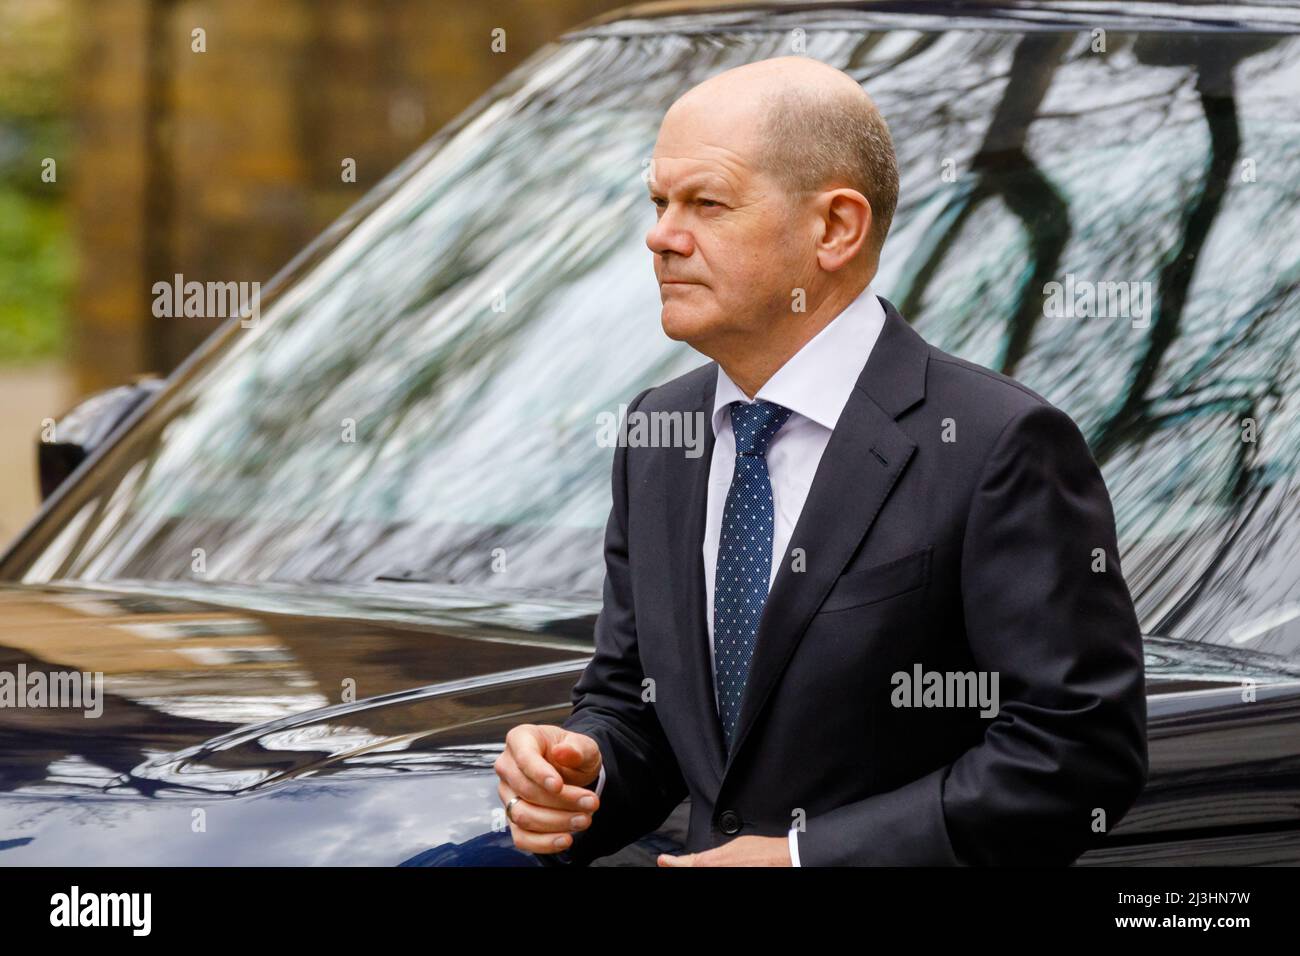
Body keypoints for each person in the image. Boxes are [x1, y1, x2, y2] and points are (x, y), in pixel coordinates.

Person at [494, 55, 1148, 866]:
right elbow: (642, 708)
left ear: (836, 227)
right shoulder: (659, 432)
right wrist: (579, 770)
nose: (660, 234)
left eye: (706, 203)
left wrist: (805, 859)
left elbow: (1075, 756)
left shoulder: (998, 444)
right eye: (660, 202)